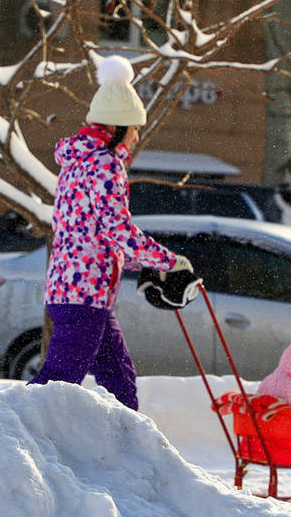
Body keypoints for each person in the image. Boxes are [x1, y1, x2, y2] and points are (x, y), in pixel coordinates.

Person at [28, 55, 192, 410]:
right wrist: (168, 260)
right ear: (118, 126)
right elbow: (117, 228)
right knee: (53, 387)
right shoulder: (104, 164)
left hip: (78, 290)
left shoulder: (77, 163)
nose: (135, 137)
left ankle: (129, 448)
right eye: (134, 128)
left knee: (119, 378)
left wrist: (144, 264)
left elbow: (93, 232)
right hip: (84, 295)